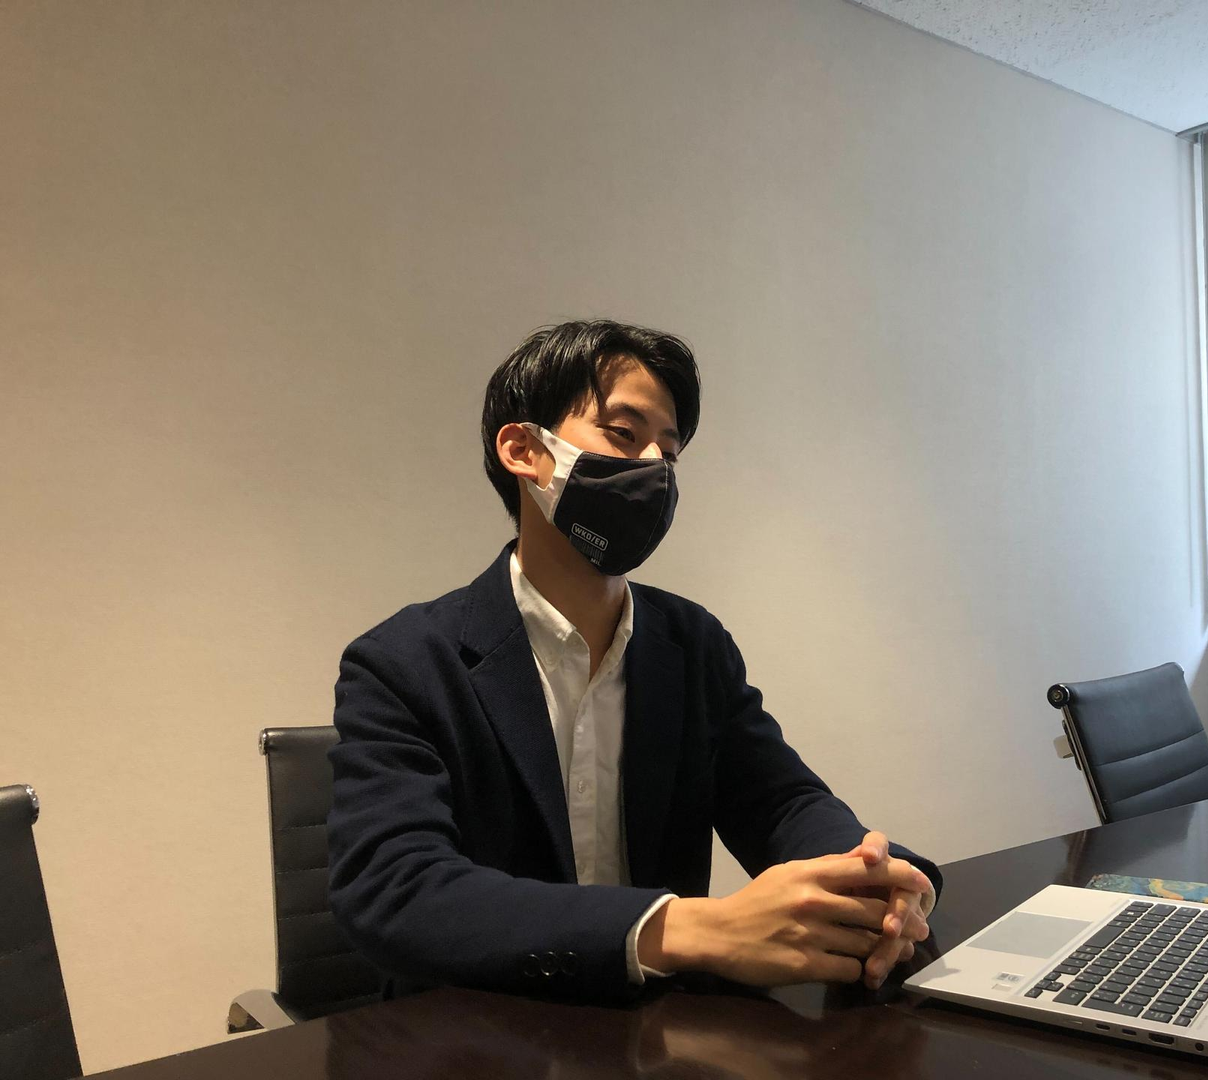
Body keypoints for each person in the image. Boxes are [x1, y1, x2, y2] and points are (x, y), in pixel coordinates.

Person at [327, 319, 942, 1003]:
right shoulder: (403, 662)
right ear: (523, 450)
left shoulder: (693, 644)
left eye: (669, 452)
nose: (653, 466)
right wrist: (688, 929)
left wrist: (878, 879)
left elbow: (779, 802)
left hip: (660, 1030)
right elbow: (395, 889)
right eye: (624, 434)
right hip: (476, 1029)